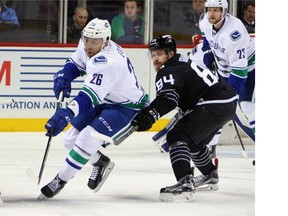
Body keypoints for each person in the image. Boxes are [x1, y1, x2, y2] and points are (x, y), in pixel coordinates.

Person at [38, 18, 149, 199]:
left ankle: (60, 180)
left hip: (127, 107)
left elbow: (87, 98)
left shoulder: (109, 63)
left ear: (105, 42)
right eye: (86, 39)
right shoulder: (90, 43)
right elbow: (76, 63)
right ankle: (100, 162)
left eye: (94, 42)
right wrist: (65, 75)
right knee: (69, 140)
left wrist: (67, 113)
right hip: (106, 98)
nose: (88, 45)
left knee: (86, 138)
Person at [131, 35, 237, 201]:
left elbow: (168, 99)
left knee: (176, 135)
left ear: (170, 53)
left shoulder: (168, 70)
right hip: (226, 101)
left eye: (159, 54)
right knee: (193, 142)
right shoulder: (182, 61)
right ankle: (210, 174)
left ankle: (185, 182)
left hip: (213, 102)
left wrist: (152, 113)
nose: (155, 59)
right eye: (152, 55)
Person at [200, 0, 255, 144]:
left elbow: (240, 69)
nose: (211, 14)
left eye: (216, 10)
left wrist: (231, 94)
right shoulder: (204, 21)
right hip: (225, 69)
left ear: (224, 11)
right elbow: (206, 37)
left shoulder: (233, 33)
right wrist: (208, 53)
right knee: (218, 109)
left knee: (247, 107)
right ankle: (210, 150)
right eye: (209, 10)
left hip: (249, 67)